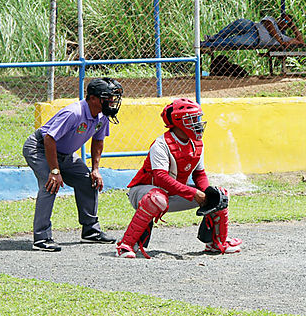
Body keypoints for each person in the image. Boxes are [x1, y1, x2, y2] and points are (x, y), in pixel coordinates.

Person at [115, 98, 242, 258]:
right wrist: (193, 193)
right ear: (178, 121)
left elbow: (199, 174)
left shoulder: (196, 143)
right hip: (142, 192)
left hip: (172, 193)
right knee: (157, 199)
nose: (198, 123)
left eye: (198, 119)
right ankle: (126, 244)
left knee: (219, 195)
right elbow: (160, 178)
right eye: (192, 119)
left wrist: (208, 194)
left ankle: (217, 243)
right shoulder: (161, 144)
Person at [22, 77, 124, 252]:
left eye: (113, 98)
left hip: (65, 154)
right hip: (39, 148)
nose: (112, 102)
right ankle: (41, 238)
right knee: (50, 185)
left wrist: (95, 170)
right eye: (107, 98)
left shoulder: (103, 116)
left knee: (87, 180)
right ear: (92, 99)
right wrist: (54, 171)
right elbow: (49, 139)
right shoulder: (74, 113)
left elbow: (98, 141)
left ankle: (91, 231)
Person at [202, 13, 304, 48]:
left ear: (288, 26)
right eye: (283, 18)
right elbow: (268, 26)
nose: (283, 21)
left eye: (286, 21)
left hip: (256, 38)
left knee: (234, 40)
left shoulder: (284, 37)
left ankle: (208, 44)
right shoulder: (272, 20)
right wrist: (280, 41)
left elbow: (301, 42)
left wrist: (293, 26)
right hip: (253, 26)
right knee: (240, 22)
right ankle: (214, 37)